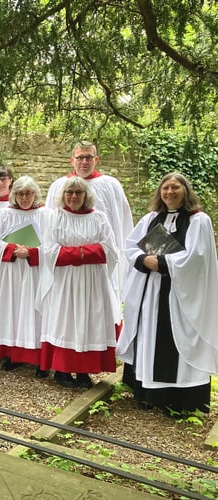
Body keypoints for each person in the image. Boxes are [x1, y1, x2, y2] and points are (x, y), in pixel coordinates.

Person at [117, 173, 218, 414]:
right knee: (149, 333)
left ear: (186, 191)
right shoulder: (152, 218)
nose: (169, 192)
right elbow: (131, 245)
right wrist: (143, 258)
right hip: (150, 291)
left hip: (179, 294)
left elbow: (197, 256)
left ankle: (179, 398)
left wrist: (161, 263)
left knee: (175, 336)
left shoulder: (198, 220)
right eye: (165, 188)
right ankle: (147, 392)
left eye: (175, 188)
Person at [38, 177, 119, 388]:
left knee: (89, 322)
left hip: (93, 281)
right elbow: (49, 250)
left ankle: (84, 370)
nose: (74, 196)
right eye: (70, 192)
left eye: (78, 192)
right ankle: (63, 370)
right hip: (65, 281)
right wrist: (87, 251)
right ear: (63, 195)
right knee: (65, 321)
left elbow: (110, 250)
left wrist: (75, 252)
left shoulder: (99, 218)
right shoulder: (55, 218)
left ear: (86, 196)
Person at [45, 141, 133, 299]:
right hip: (65, 268)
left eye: (88, 157)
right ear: (72, 160)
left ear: (96, 160)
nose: (84, 162)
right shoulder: (58, 186)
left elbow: (123, 221)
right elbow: (49, 224)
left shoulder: (111, 185)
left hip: (100, 265)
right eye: (79, 158)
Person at [0, 176, 47, 375]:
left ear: (35, 194)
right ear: (14, 195)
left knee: (35, 311)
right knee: (12, 310)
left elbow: (54, 244)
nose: (24, 198)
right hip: (11, 273)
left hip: (35, 272)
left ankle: (40, 358)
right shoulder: (4, 215)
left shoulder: (46, 215)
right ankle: (14, 354)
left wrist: (32, 252)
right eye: (20, 194)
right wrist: (12, 248)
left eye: (28, 193)